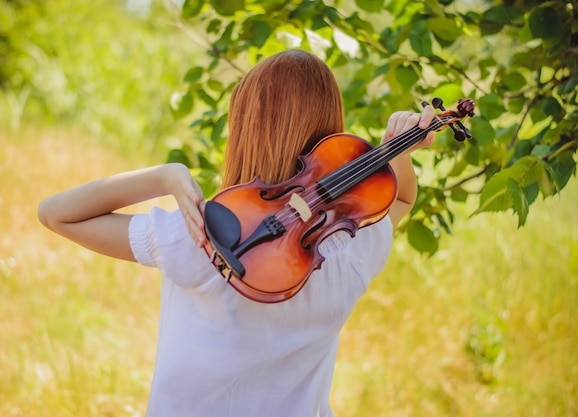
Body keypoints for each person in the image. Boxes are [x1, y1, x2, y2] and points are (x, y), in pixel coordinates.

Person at [38, 49, 435, 417]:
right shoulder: (350, 247)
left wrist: (166, 176)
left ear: (246, 127)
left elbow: (57, 215)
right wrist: (395, 152)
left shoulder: (203, 235)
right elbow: (399, 202)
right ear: (331, 131)